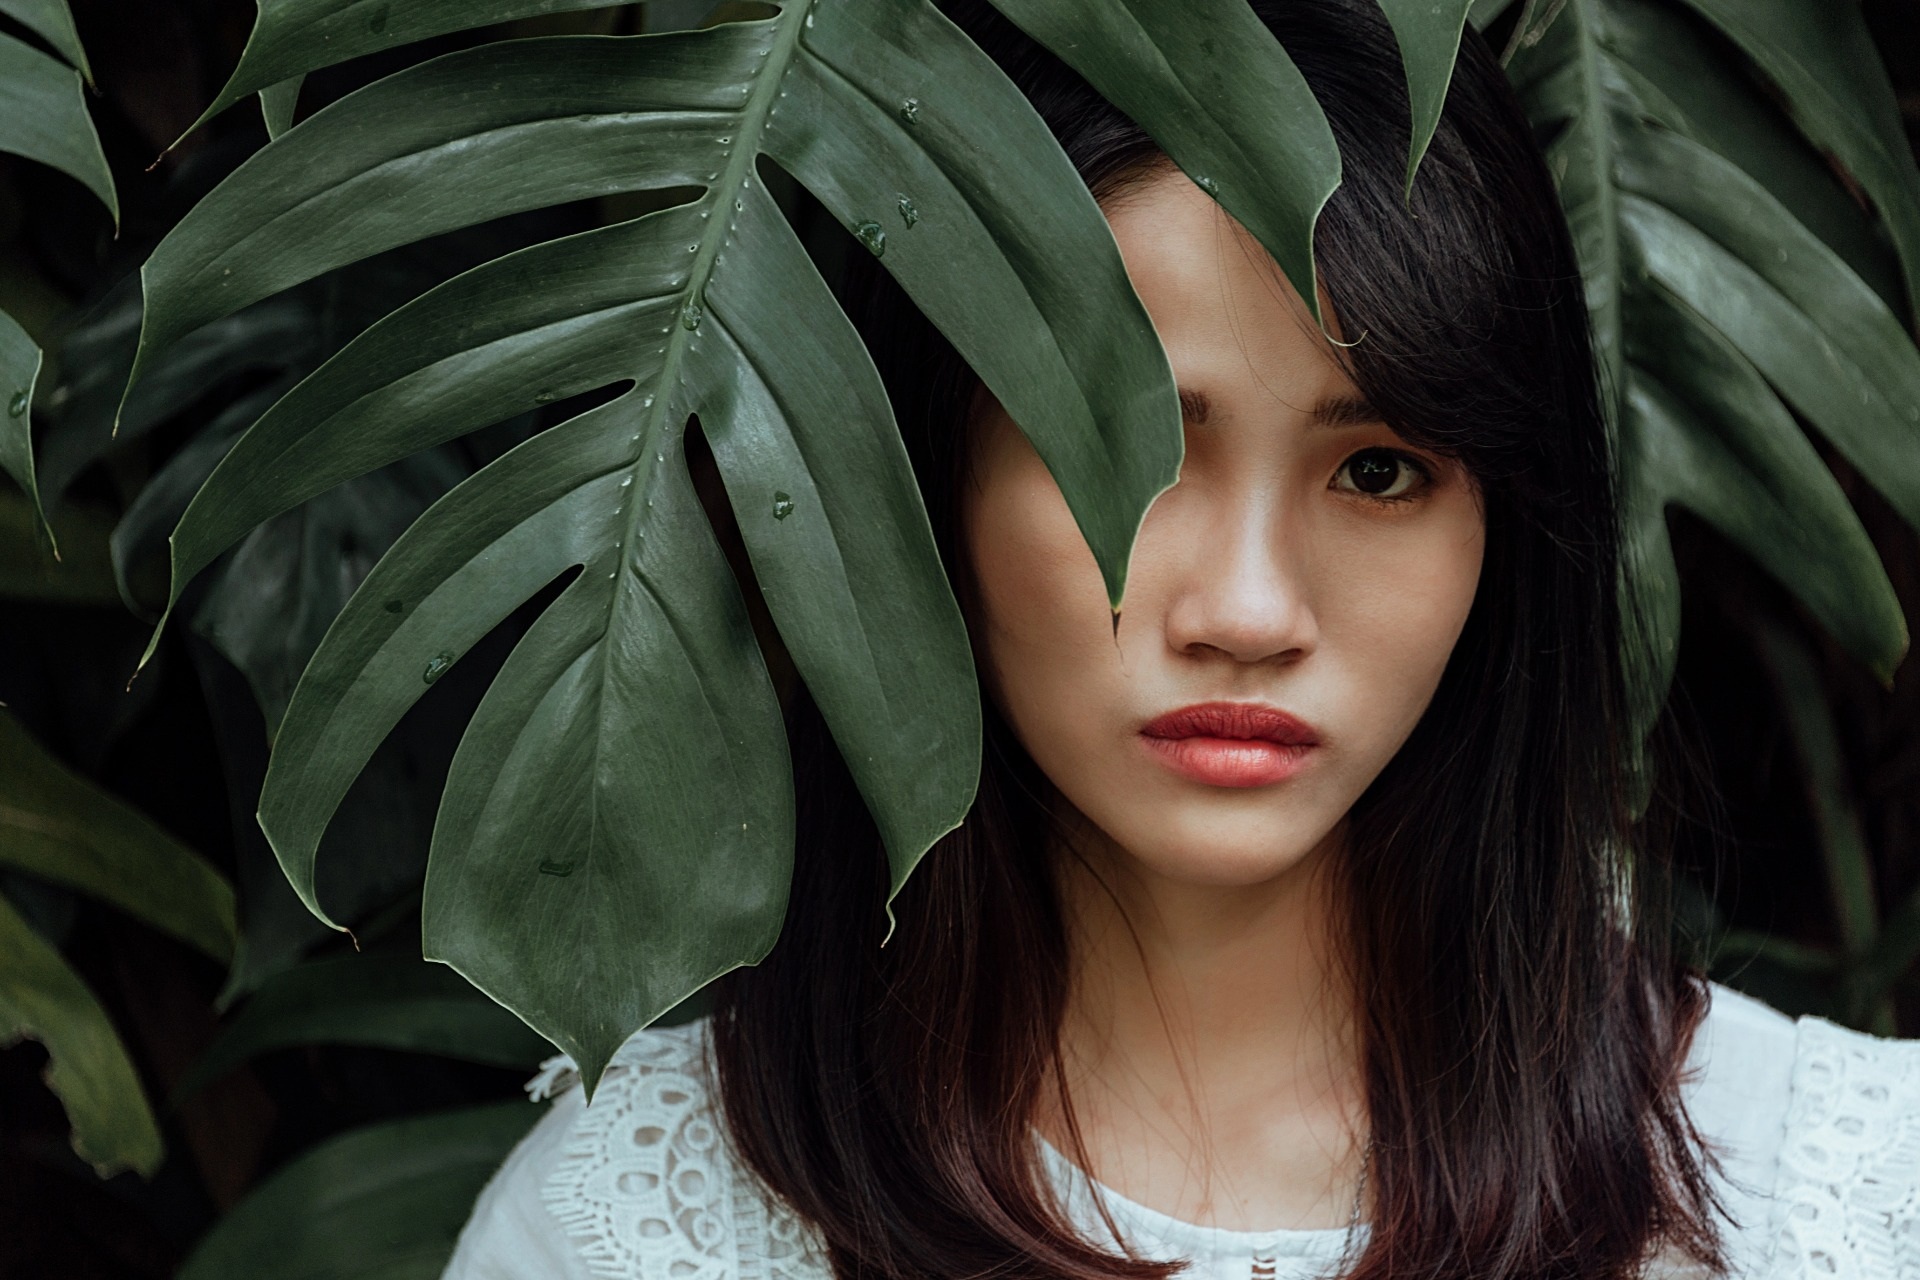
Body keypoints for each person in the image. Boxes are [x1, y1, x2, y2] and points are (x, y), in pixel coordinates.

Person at [442, 1, 1920, 1276]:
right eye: (1131, 450)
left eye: (1380, 472)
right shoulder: (638, 1225)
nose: (1251, 614)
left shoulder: (1840, 1198)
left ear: (1510, 532)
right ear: (922, 471)